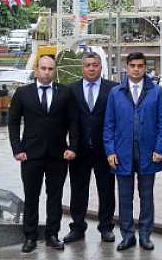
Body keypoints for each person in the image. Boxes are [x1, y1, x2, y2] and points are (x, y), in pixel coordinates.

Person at [8, 54, 79, 253]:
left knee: (55, 197)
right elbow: (13, 122)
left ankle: (52, 235)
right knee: (31, 196)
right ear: (36, 70)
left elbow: (74, 122)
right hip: (30, 155)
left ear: (54, 71)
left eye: (50, 69)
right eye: (43, 68)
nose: (46, 72)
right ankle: (30, 237)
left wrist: (72, 147)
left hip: (58, 155)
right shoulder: (23, 93)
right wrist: (17, 149)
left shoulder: (65, 93)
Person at [103, 52, 162, 251]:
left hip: (148, 153)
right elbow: (109, 125)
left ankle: (146, 235)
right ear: (127, 66)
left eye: (140, 65)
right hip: (123, 153)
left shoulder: (156, 91)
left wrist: (159, 149)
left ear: (145, 67)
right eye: (133, 65)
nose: (137, 69)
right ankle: (128, 235)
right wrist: (110, 151)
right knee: (124, 196)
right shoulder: (116, 92)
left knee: (146, 196)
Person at [64, 52, 118, 244]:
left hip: (105, 151)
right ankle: (77, 228)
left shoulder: (113, 89)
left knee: (107, 190)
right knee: (78, 190)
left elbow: (118, 121)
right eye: (88, 65)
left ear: (101, 67)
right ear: (82, 68)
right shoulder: (71, 90)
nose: (92, 68)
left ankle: (106, 227)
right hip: (78, 151)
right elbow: (66, 121)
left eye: (95, 65)